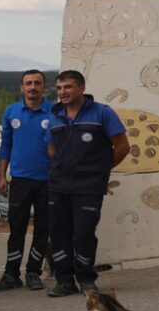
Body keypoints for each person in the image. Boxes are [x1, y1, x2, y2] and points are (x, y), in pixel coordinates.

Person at [44, 70, 130, 297]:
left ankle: (85, 279)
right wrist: (60, 167)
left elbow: (122, 146)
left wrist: (100, 170)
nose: (63, 92)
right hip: (58, 185)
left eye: (68, 87)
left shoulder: (102, 113)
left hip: (89, 187)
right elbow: (51, 147)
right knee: (59, 233)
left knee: (83, 234)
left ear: (81, 88)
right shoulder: (55, 116)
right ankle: (64, 281)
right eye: (60, 88)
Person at [0, 70, 54, 293]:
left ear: (44, 87)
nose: (33, 87)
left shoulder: (55, 111)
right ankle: (11, 273)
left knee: (42, 230)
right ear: (22, 87)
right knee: (16, 229)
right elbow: (5, 145)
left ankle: (33, 272)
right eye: (29, 83)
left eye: (37, 83)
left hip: (47, 182)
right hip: (19, 180)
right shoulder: (11, 112)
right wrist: (2, 176)